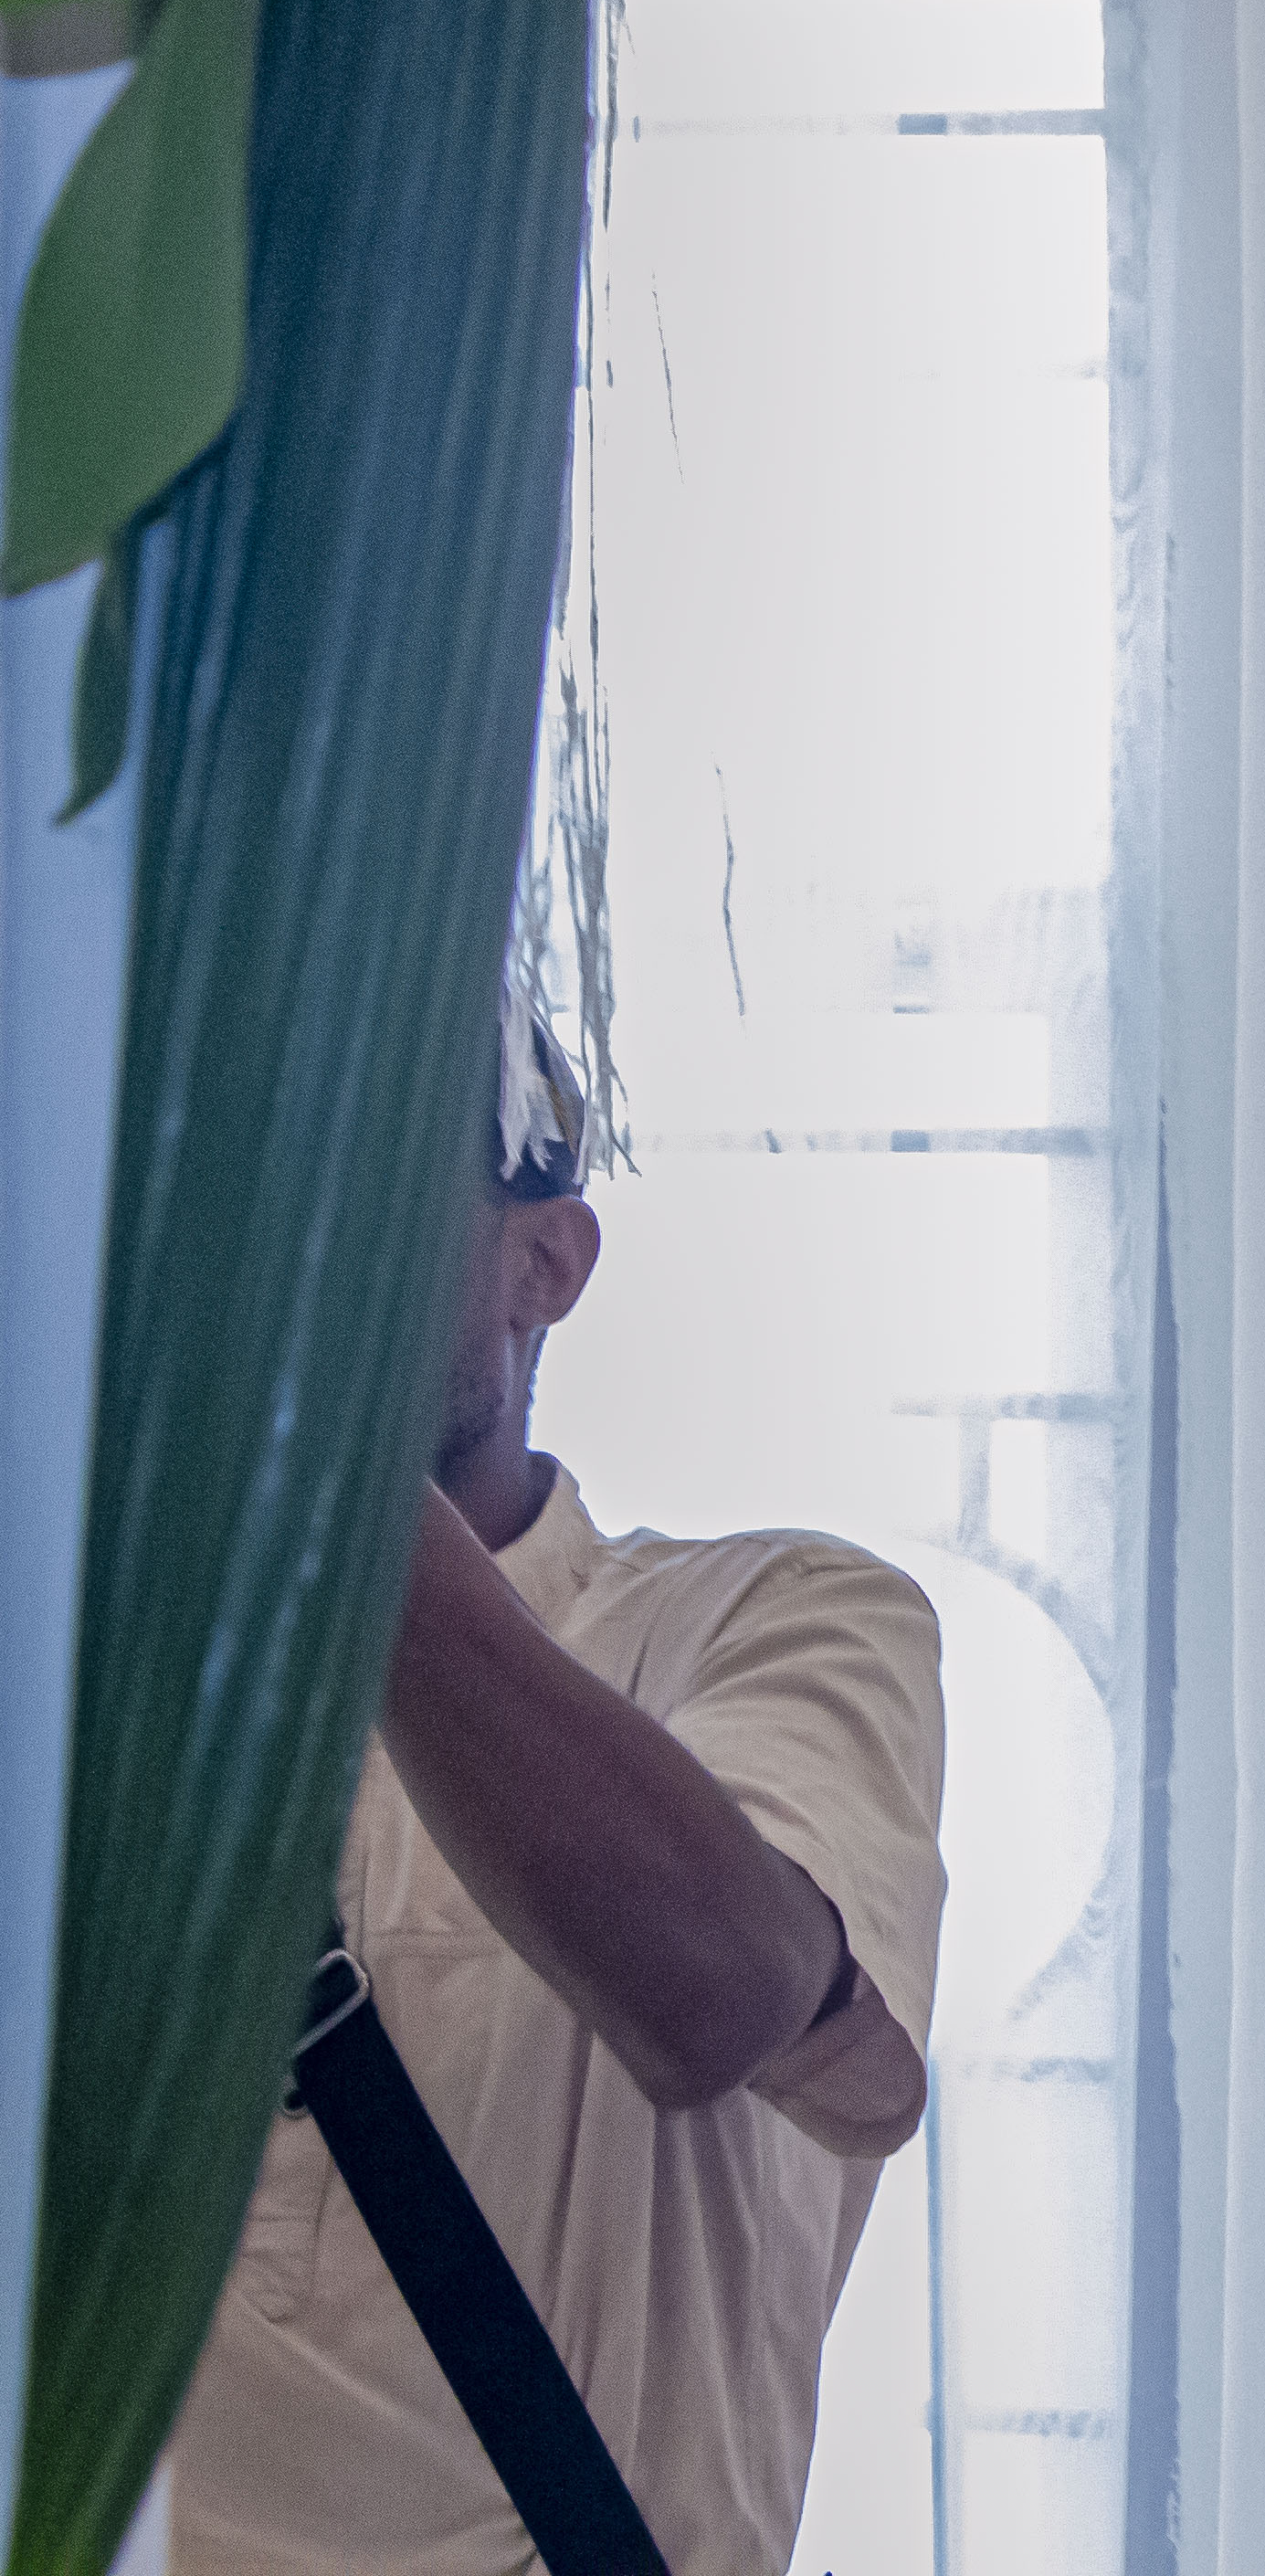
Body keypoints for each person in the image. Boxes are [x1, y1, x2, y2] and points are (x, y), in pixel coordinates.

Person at [165, 1014, 946, 2576]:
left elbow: (721, 1993)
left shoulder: (770, 1617)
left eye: (354, 1182)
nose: (279, 1247)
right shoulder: (94, 1689)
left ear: (547, 1261)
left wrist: (303, 1456)